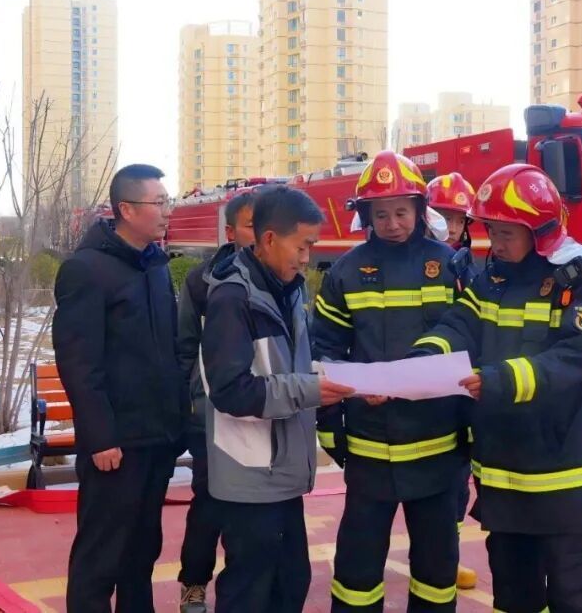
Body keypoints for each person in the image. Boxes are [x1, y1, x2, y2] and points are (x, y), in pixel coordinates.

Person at [412, 163, 582, 613]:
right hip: (505, 475)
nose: (495, 243)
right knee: (514, 595)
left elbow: (575, 357)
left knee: (574, 595)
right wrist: (422, 361)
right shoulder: (493, 279)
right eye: (492, 231)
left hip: (565, 478)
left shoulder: (581, 282)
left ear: (540, 231)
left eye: (506, 233)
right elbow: (460, 324)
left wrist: (498, 380)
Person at [313, 151, 465, 612]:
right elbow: (325, 350)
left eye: (402, 211)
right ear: (366, 216)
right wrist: (332, 425)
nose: (393, 222)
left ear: (421, 210)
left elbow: (471, 339)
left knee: (437, 570)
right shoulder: (345, 272)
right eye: (381, 213)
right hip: (369, 448)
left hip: (438, 446)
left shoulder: (451, 266)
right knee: (357, 569)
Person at [199, 185, 354, 613]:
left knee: (290, 583)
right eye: (302, 246)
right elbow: (230, 390)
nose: (308, 257)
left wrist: (337, 383)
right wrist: (311, 390)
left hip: (282, 472)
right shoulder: (232, 299)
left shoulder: (290, 289)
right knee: (250, 590)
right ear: (269, 240)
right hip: (250, 475)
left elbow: (290, 369)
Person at [53, 164, 186, 613]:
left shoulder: (153, 266)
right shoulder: (87, 270)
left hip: (156, 438)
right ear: (126, 209)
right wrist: (101, 436)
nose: (167, 211)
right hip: (117, 445)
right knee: (101, 555)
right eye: (159, 203)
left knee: (141, 551)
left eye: (167, 201)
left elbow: (166, 352)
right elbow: (78, 362)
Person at [176, 190, 257, 613]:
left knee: (256, 508)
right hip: (210, 415)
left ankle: (248, 584)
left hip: (263, 414)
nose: (261, 233)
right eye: (250, 225)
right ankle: (194, 582)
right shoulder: (202, 280)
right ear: (230, 232)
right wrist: (192, 404)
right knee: (209, 499)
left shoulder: (282, 278)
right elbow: (185, 348)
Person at [425, 171, 479, 591]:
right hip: (420, 381)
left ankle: (450, 555)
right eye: (442, 215)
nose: (450, 225)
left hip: (461, 386)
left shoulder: (477, 268)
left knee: (459, 482)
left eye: (457, 218)